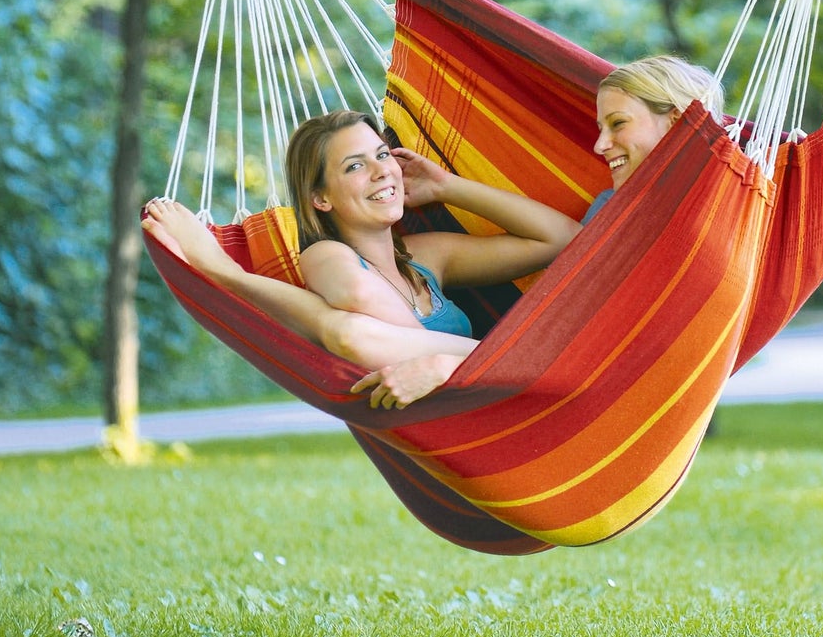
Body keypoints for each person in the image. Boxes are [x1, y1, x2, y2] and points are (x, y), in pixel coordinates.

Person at [142, 109, 581, 412]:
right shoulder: (326, 256)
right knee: (350, 331)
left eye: (383, 155)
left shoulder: (429, 257)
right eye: (354, 167)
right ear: (320, 198)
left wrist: (448, 187)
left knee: (352, 331)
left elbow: (564, 240)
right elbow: (371, 327)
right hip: (468, 409)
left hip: (501, 398)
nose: (381, 171)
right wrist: (478, 364)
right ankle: (519, 364)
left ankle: (514, 365)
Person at [585, 54, 725, 223]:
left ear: (676, 121)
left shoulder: (728, 206)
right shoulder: (608, 207)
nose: (599, 146)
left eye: (618, 123)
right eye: (601, 130)